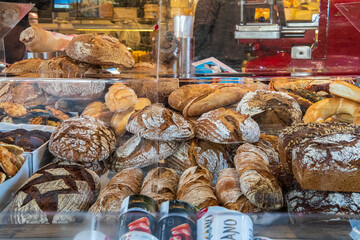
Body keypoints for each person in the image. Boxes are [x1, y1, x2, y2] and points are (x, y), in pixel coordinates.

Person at [193, 0, 251, 71]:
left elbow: (202, 25)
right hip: (236, 54)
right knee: (234, 80)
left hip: (214, 57)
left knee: (212, 81)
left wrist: (193, 51)